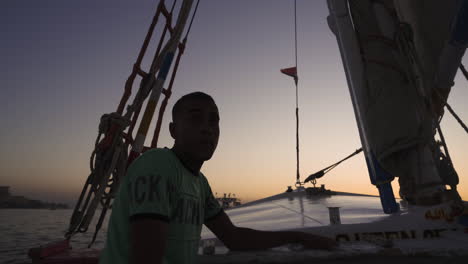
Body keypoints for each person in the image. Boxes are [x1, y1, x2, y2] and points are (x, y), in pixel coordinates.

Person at [99, 92, 336, 264]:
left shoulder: (199, 183)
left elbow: (234, 238)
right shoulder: (157, 165)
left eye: (214, 121)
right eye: (195, 118)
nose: (207, 128)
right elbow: (146, 258)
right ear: (172, 130)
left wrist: (297, 236)